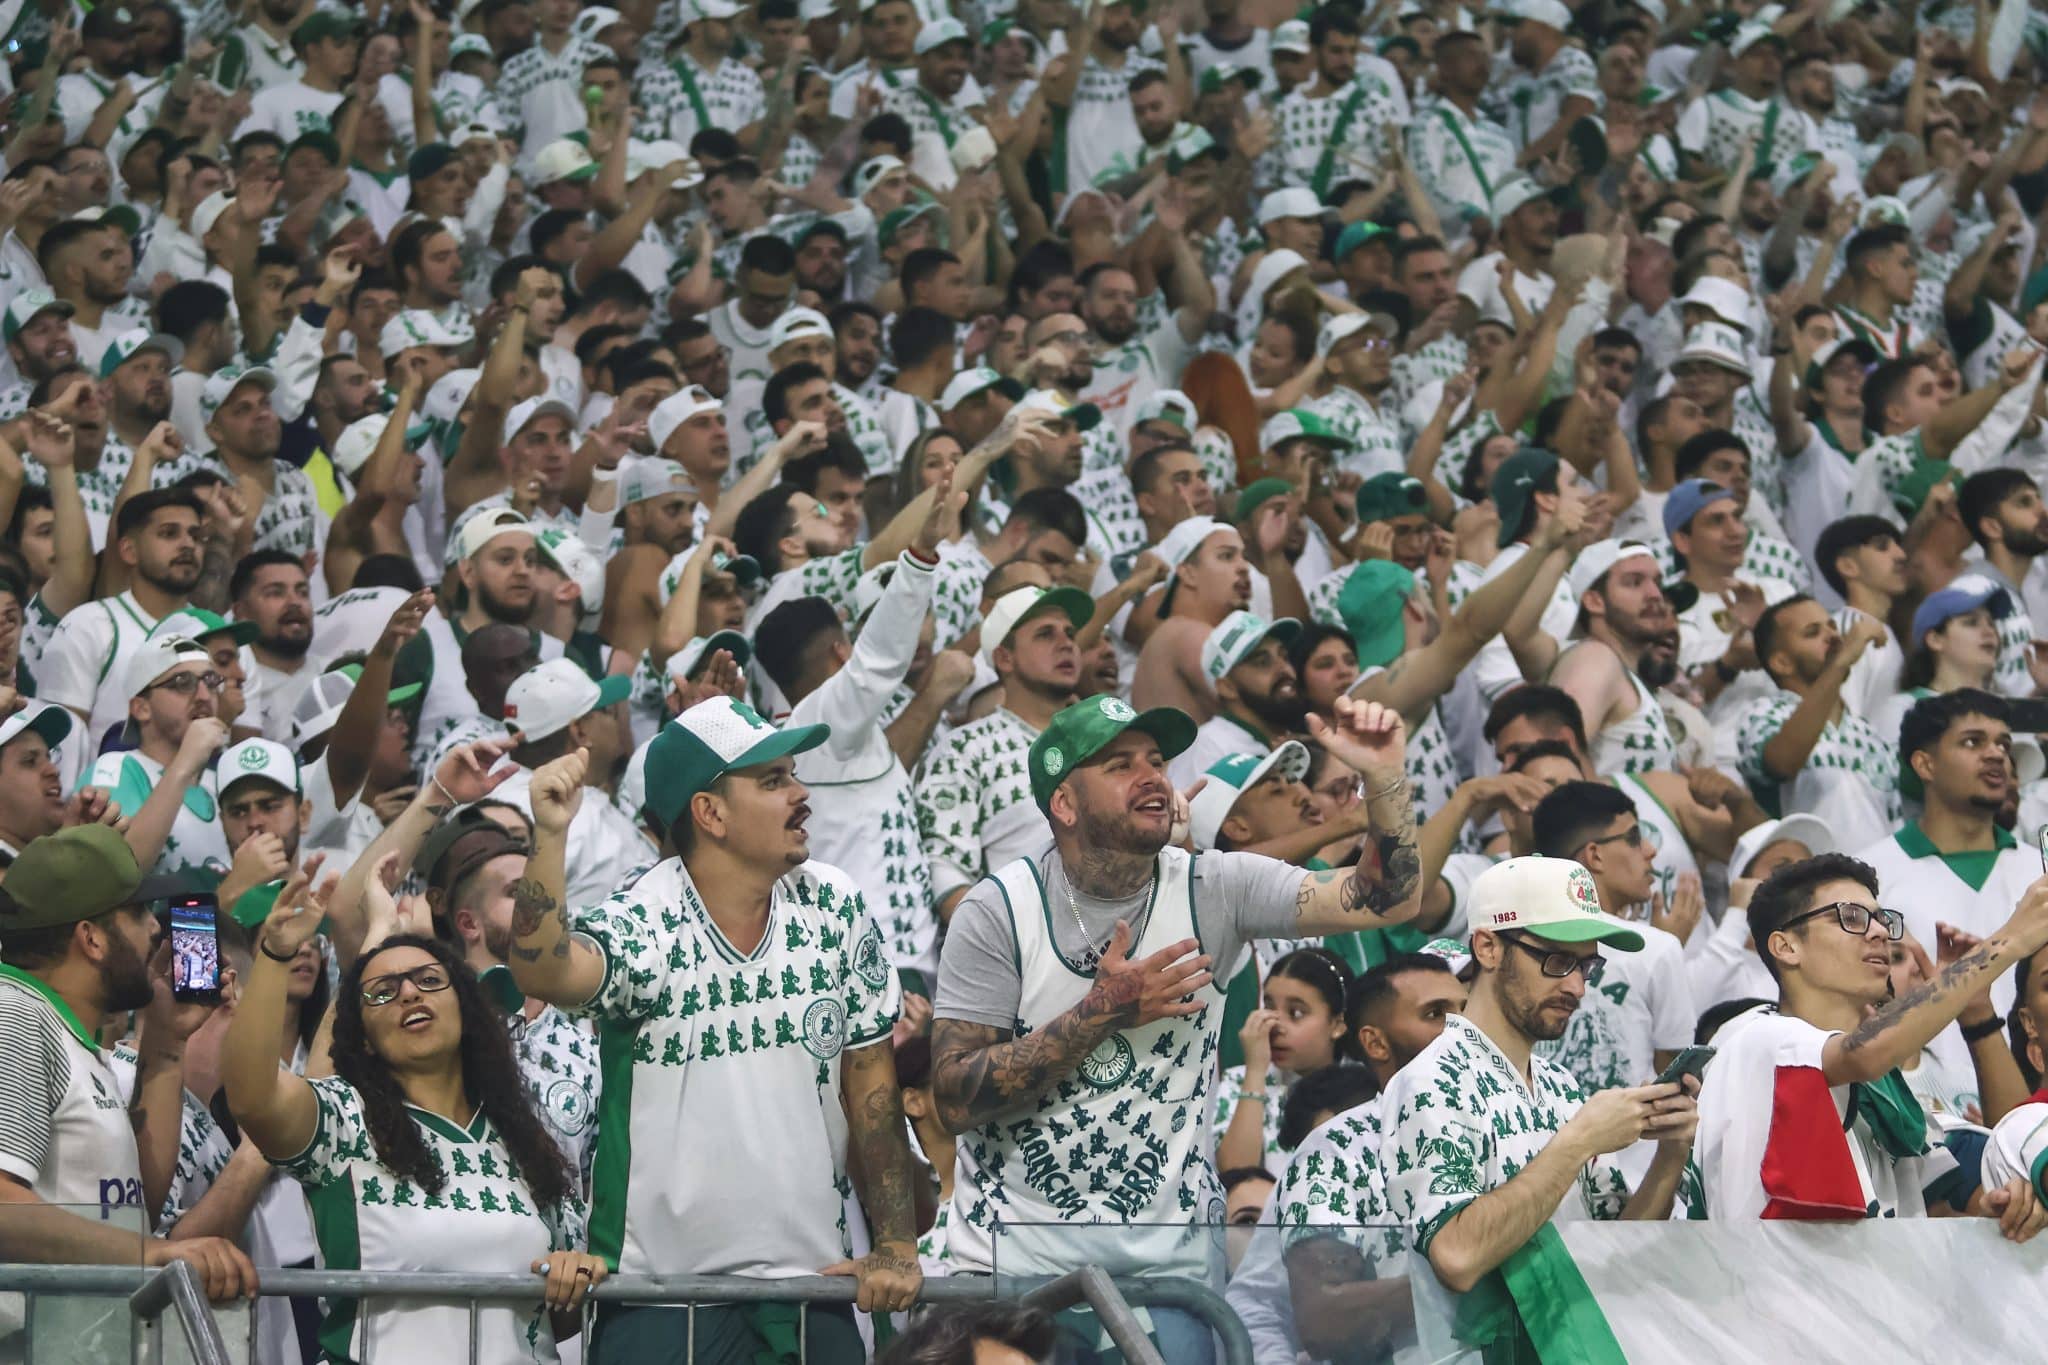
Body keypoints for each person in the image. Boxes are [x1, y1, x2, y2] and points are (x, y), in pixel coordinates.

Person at [929, 693, 1423, 1358]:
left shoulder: (1215, 886)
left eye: (1156, 759)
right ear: (1065, 804)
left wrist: (1385, 780)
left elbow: (1387, 898)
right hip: (1016, 1272)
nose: (1152, 775)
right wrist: (1101, 1012)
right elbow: (957, 1097)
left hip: (1171, 1280)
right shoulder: (998, 911)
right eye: (1118, 764)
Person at [502, 696, 924, 1363]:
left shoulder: (834, 904)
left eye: (793, 773)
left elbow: (870, 1081)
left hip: (813, 1293)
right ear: (711, 812)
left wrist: (897, 1241)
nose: (801, 791)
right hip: (659, 1300)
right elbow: (543, 971)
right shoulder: (647, 919)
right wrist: (548, 836)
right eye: (773, 779)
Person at [224, 862, 610, 1361]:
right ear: (359, 1034)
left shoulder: (525, 1143)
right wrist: (276, 954)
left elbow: (561, 1316)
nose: (408, 993)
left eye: (429, 980)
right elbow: (253, 1097)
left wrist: (575, 1274)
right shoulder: (345, 1124)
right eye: (382, 992)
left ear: (467, 1009)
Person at [1380, 856, 1698, 1356]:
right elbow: (1457, 1256)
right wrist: (1579, 1141)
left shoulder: (1558, 1084)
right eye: (1555, 960)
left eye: (1587, 965)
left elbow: (1619, 1245)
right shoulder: (1430, 1080)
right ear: (1487, 947)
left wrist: (1672, 1154)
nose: (1576, 986)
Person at [1696, 853, 2048, 1230]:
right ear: (1786, 947)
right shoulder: (1752, 1037)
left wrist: (2007, 1209)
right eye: (1850, 916)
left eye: (1882, 918)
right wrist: (2009, 940)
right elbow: (1864, 1053)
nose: (1879, 931)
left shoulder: (1883, 1086)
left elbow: (1940, 1210)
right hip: (1767, 1287)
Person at [0, 826, 258, 1304]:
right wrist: (151, 1253)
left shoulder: (64, 1033)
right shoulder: (14, 1014)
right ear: (92, 939)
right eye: (137, 913)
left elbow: (133, 1208)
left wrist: (165, 1043)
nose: (157, 929)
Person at [1214, 947, 1356, 1171]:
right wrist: (1255, 1073)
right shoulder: (1242, 1080)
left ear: (1338, 1024)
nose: (1275, 1026)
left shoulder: (1362, 1089)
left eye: (1296, 1013)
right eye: (1269, 1007)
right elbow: (1235, 1173)